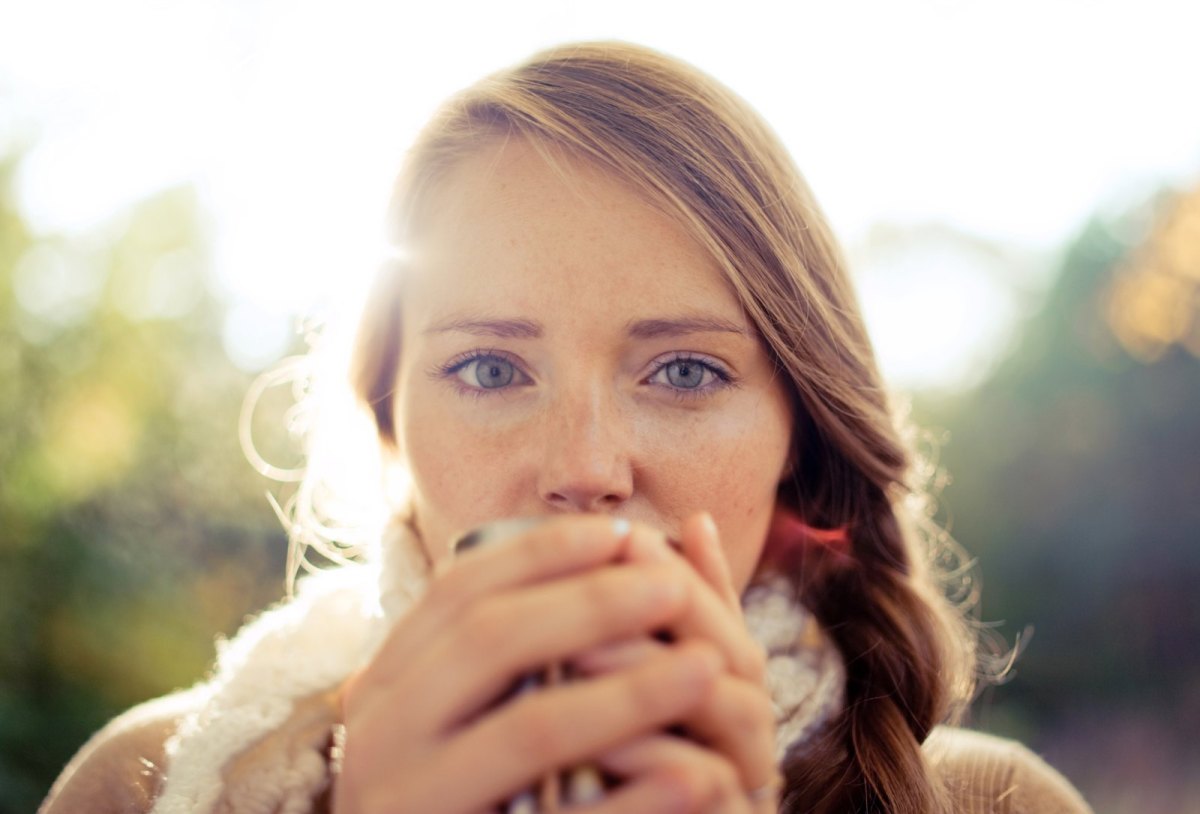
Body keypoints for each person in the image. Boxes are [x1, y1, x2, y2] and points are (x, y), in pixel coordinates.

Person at [40, 41, 1093, 814]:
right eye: (490, 367)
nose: (585, 469)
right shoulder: (149, 784)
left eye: (684, 370)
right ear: (391, 421)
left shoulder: (993, 802)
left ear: (802, 440)